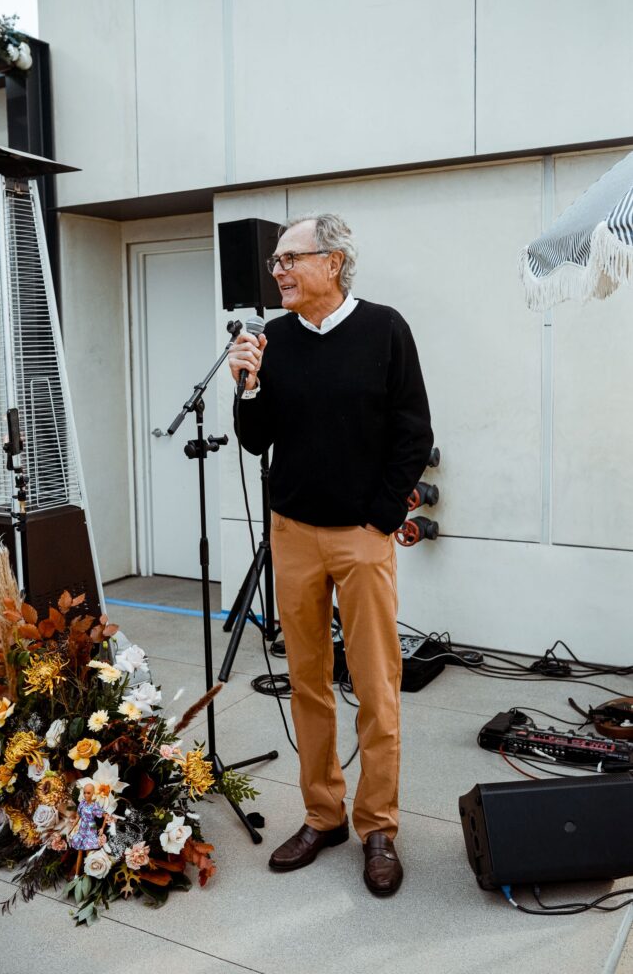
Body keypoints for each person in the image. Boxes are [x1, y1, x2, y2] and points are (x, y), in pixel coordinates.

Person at [228, 213, 433, 896]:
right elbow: (257, 441)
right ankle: (324, 814)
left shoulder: (385, 330)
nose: (278, 270)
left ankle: (378, 826)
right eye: (276, 262)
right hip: (293, 534)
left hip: (361, 537)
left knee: (375, 686)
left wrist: (379, 521)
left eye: (290, 258)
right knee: (308, 681)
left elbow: (413, 431)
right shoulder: (275, 340)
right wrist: (248, 385)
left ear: (333, 262)